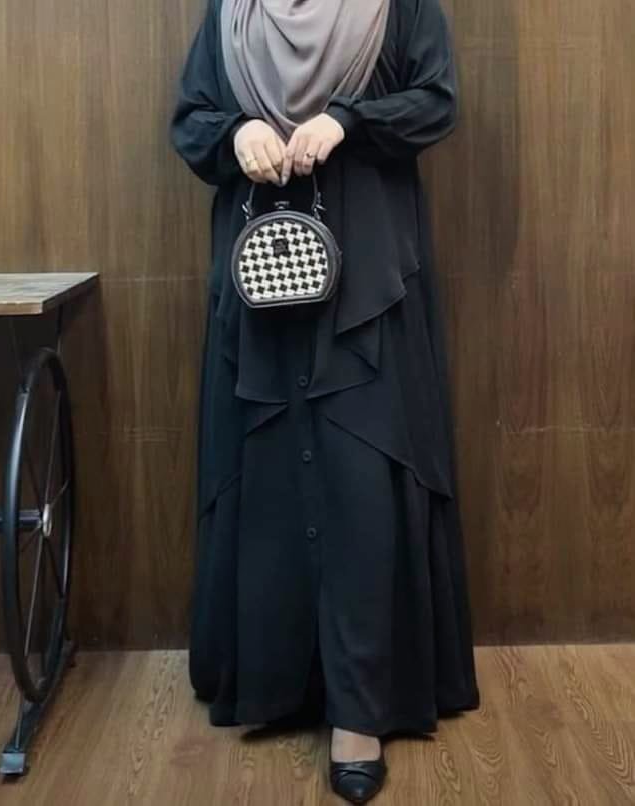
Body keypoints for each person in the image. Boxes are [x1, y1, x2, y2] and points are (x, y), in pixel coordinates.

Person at [170, 0, 480, 802]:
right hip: (260, 264)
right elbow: (191, 120)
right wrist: (238, 134)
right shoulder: (232, 10)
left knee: (361, 470)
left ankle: (359, 710)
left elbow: (436, 101)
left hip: (367, 272)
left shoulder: (399, 6)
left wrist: (346, 121)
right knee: (272, 471)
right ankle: (277, 681)